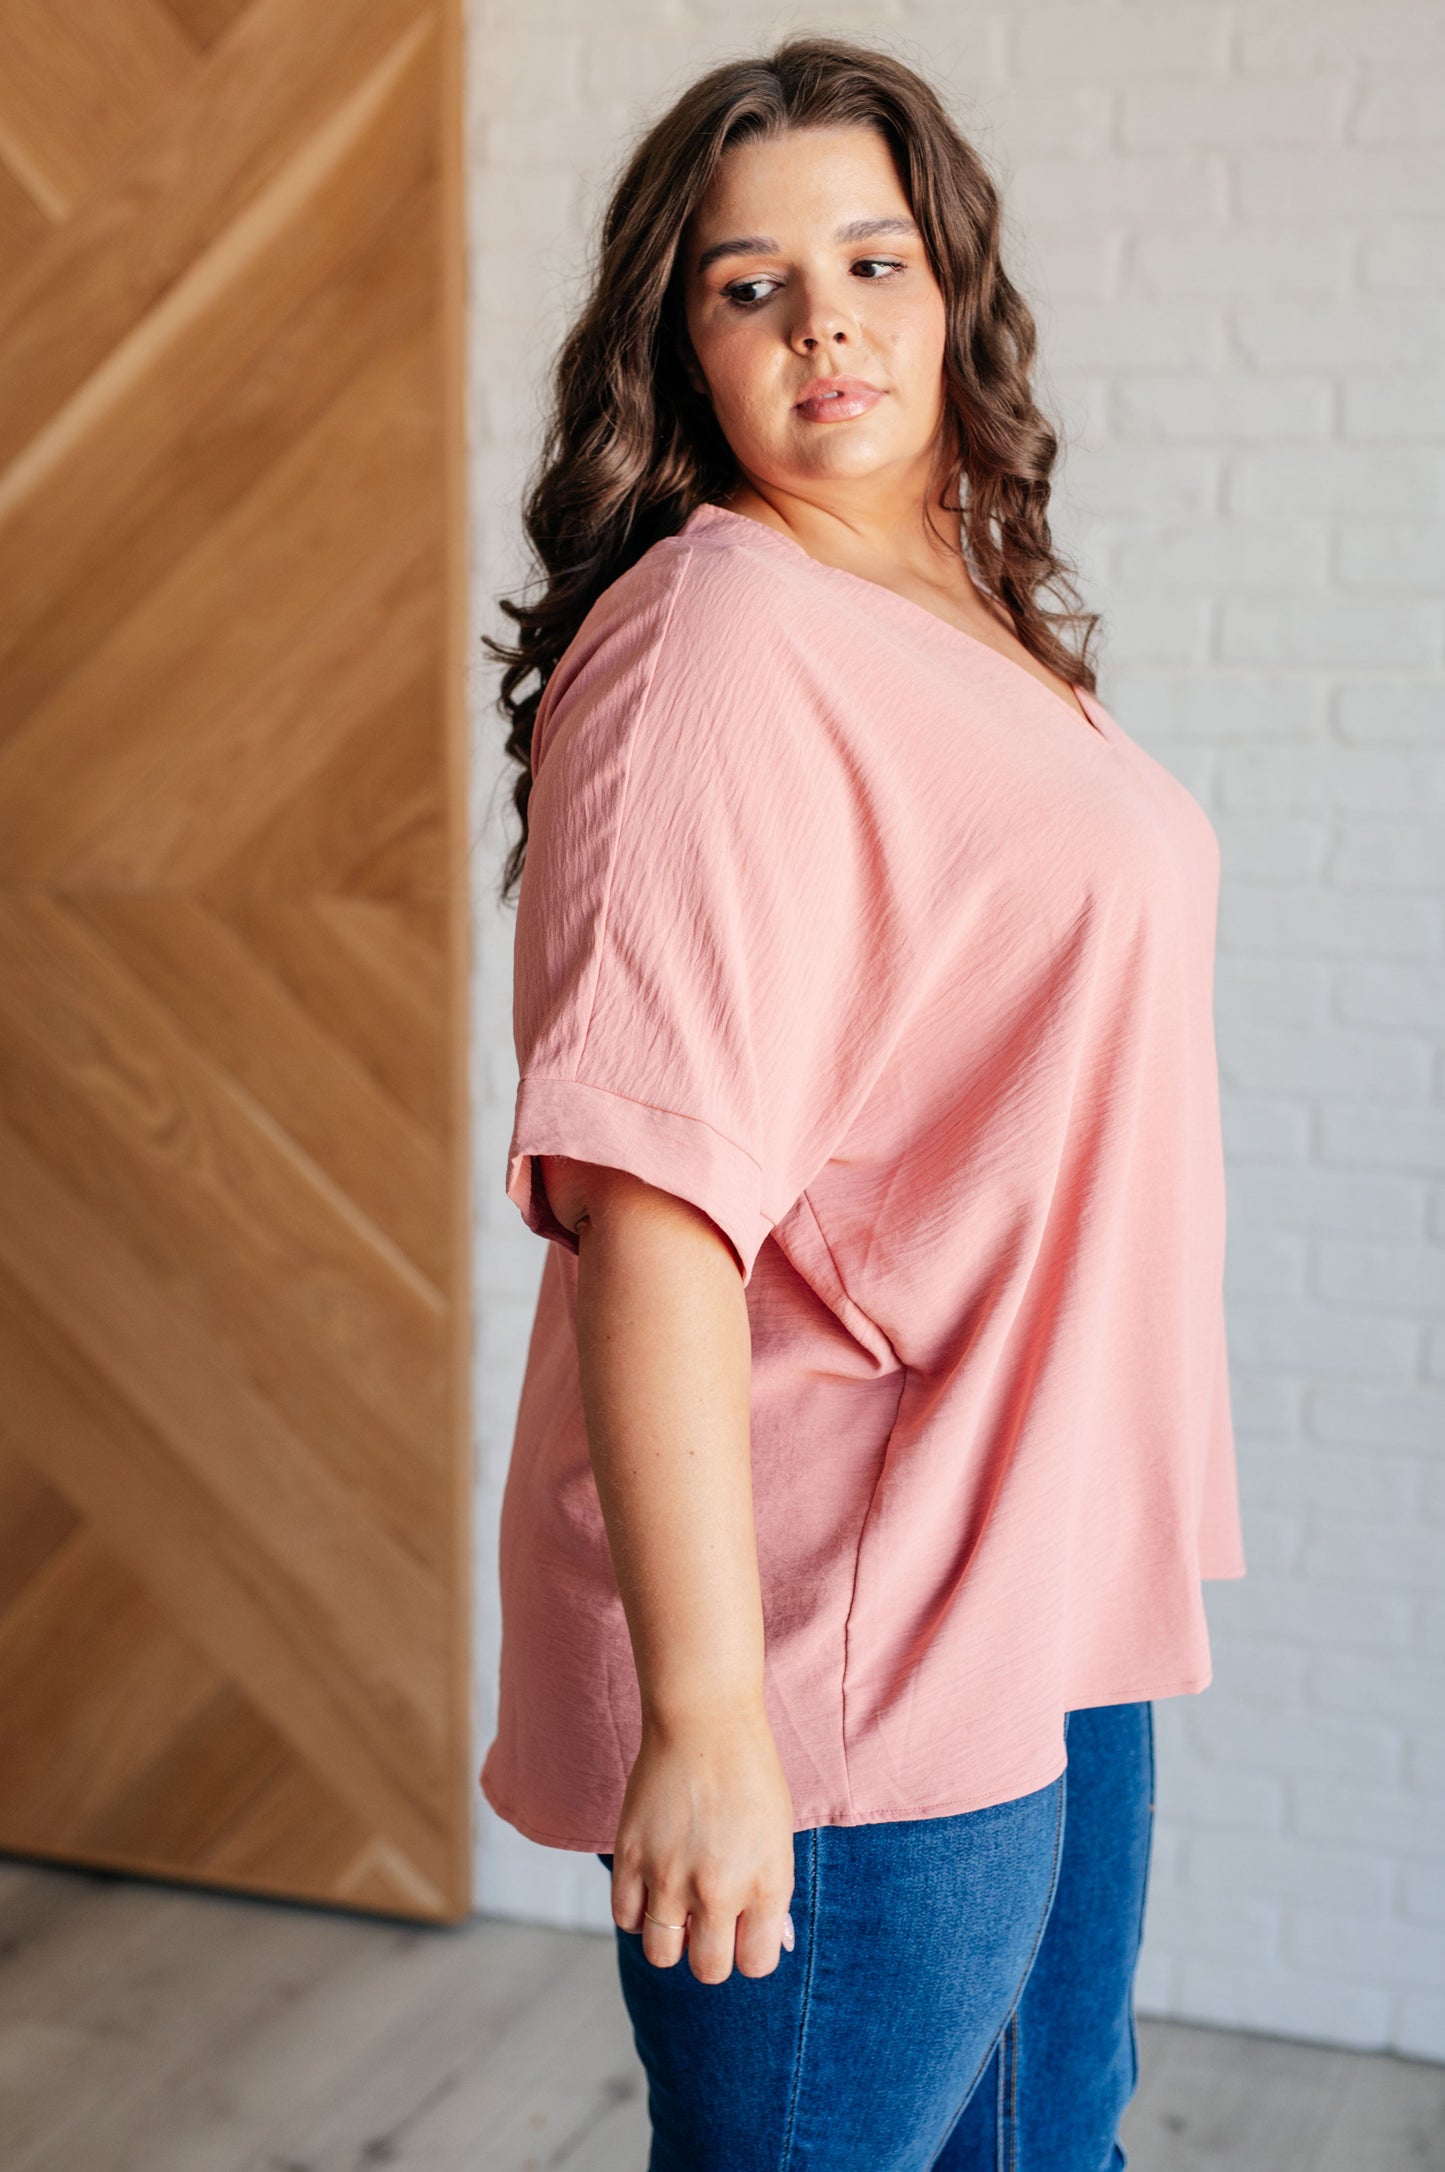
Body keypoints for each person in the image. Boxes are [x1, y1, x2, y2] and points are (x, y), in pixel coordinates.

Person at [479, 36, 1245, 2171]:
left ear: (947, 290)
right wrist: (710, 1719)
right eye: (750, 285)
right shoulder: (720, 638)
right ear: (682, 347)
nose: (822, 318)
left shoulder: (957, 615)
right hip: (844, 1632)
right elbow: (652, 1210)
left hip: (1043, 1575)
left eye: (870, 259)